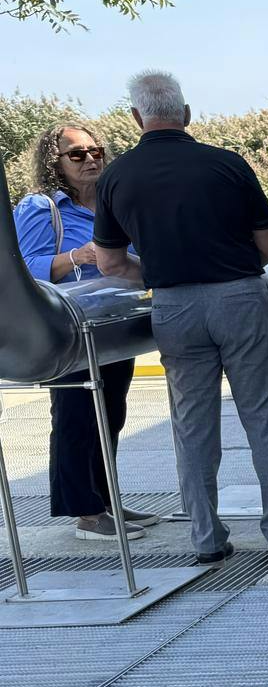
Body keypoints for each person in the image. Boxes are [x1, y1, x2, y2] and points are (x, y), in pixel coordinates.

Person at [93, 70, 268, 564]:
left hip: (172, 305)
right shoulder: (227, 165)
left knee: (192, 426)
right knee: (265, 419)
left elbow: (110, 263)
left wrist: (161, 271)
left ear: (135, 117)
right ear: (186, 114)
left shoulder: (117, 177)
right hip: (240, 298)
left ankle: (207, 540)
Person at [10, 124, 161, 541]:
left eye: (96, 151)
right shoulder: (43, 208)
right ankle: (87, 514)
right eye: (77, 154)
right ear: (53, 162)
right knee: (76, 415)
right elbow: (24, 270)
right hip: (69, 326)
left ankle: (106, 498)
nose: (91, 158)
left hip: (114, 324)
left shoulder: (110, 202)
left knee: (111, 410)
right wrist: (77, 255)